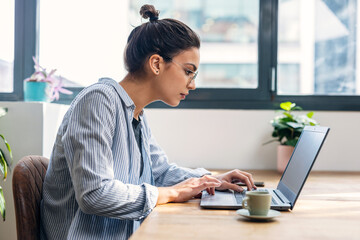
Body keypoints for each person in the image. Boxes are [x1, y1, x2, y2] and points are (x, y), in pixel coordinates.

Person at [40, 4, 256, 240]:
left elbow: (160, 172)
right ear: (156, 63)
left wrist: (211, 180)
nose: (192, 84)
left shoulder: (136, 113)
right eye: (188, 71)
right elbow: (95, 194)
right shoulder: (98, 101)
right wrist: (171, 193)